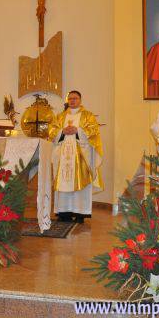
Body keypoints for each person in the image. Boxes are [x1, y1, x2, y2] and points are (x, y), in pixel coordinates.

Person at [49, 91, 103, 223]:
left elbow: (94, 131)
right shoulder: (60, 116)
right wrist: (62, 132)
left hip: (81, 157)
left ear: (80, 100)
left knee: (81, 185)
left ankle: (80, 213)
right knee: (63, 184)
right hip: (63, 157)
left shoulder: (88, 116)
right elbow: (51, 131)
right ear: (67, 101)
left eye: (75, 98)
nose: (72, 101)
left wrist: (77, 131)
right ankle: (64, 213)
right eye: (70, 99)